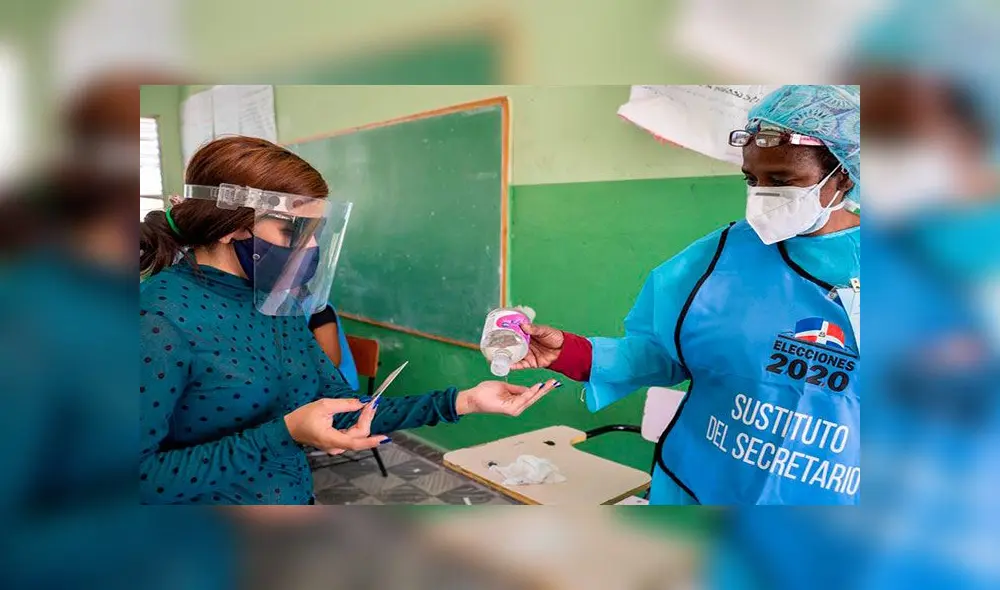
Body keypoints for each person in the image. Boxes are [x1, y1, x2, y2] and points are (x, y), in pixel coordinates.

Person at [140, 136, 558, 505]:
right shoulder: (155, 320)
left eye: (318, 228)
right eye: (296, 229)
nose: (312, 245)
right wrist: (284, 433)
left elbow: (343, 411)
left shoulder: (274, 304)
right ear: (231, 226)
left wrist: (463, 401)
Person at [515, 85, 861, 505]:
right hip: (700, 489)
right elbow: (663, 353)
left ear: (842, 174)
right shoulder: (718, 259)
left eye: (782, 181)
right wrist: (572, 354)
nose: (762, 195)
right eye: (752, 179)